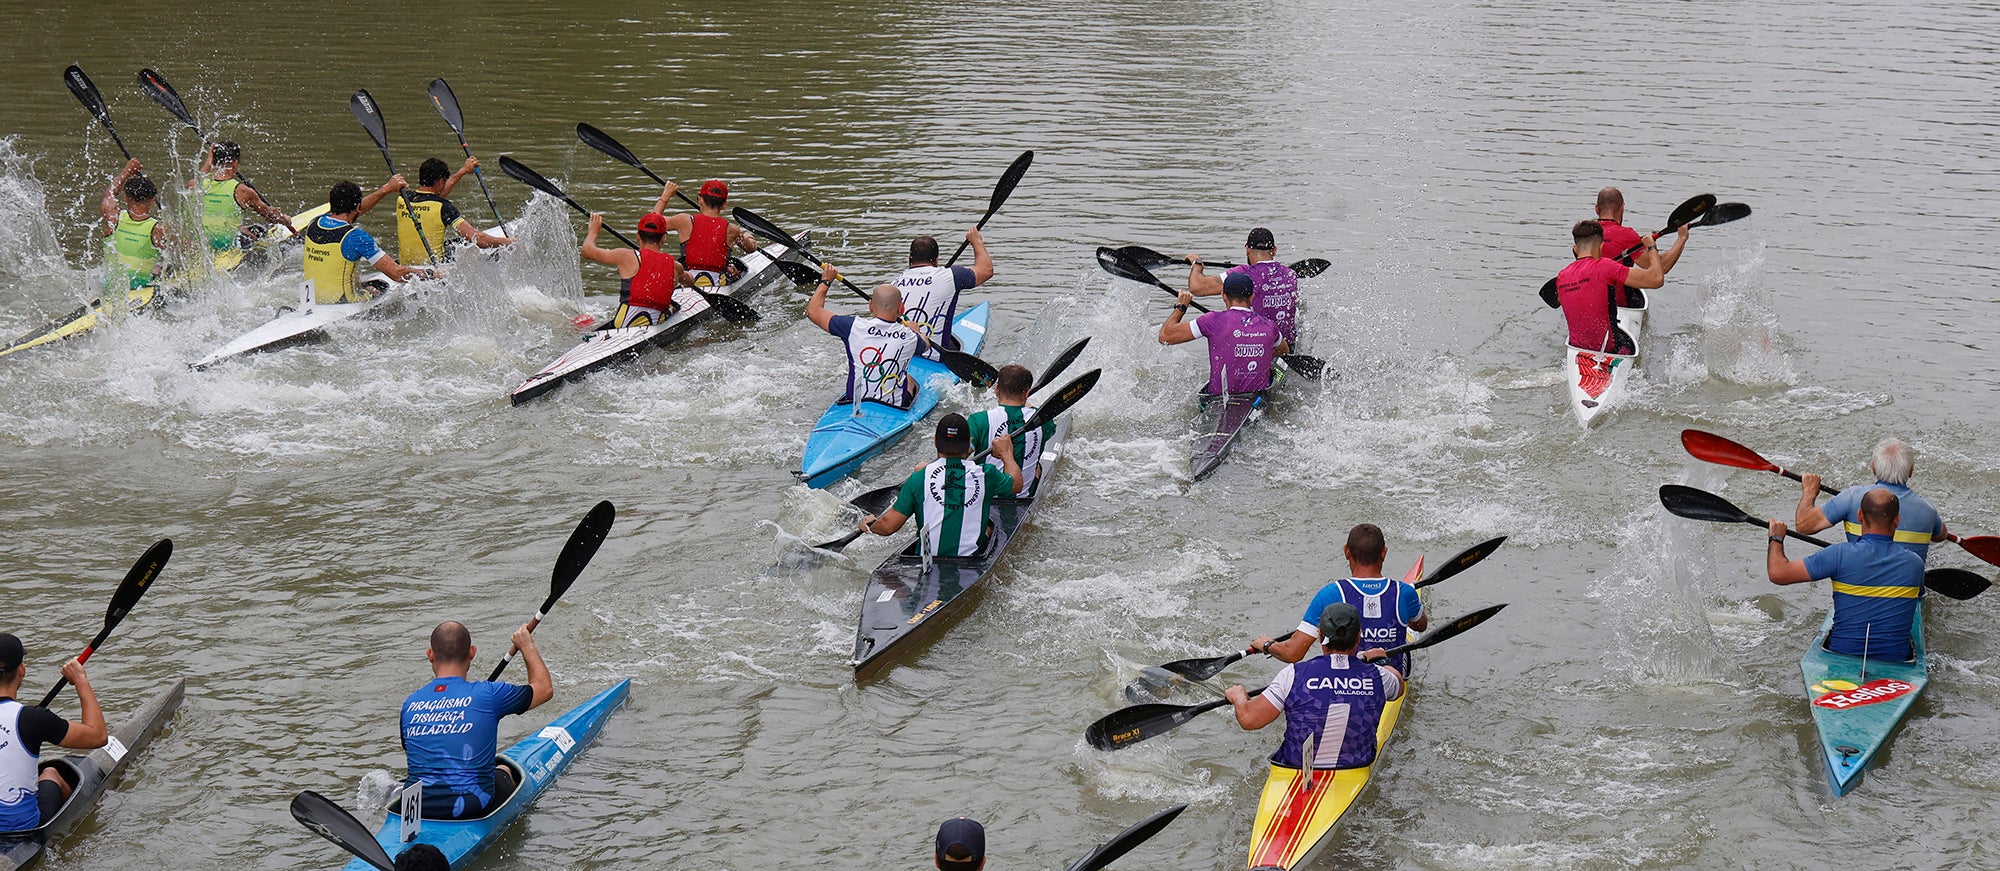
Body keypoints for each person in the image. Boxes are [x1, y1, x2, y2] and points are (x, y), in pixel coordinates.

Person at [399, 621, 553, 820]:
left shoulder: (410, 703)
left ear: (430, 655)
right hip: (472, 807)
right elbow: (544, 689)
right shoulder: (488, 694)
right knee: (504, 769)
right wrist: (526, 645)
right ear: (472, 652)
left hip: (415, 808)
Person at [1224, 603, 1405, 770]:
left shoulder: (1293, 674)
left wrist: (1238, 697)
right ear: (1359, 636)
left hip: (1297, 769)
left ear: (1320, 636)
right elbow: (1399, 687)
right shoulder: (1379, 676)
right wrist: (1381, 661)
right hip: (1355, 767)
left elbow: (1249, 719)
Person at [1769, 489, 1926, 661]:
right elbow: (1916, 595)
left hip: (1841, 654)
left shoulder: (1838, 554)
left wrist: (1776, 537)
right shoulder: (1915, 563)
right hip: (1896, 660)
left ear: (1859, 516)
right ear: (1897, 520)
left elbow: (1778, 573)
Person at [1254, 524, 1428, 674]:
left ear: (1346, 551)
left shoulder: (1330, 594)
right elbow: (1421, 626)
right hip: (1391, 676)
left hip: (1344, 681)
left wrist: (1267, 644)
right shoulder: (1404, 592)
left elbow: (1292, 653)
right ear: (1384, 553)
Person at [859, 413, 1023, 557]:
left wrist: (871, 525)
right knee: (988, 526)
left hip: (927, 562)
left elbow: (888, 527)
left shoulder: (919, 478)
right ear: (969, 444)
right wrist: (1006, 454)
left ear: (935, 441)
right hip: (971, 561)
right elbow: (1016, 484)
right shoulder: (987, 474)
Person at [0, 633, 109, 832]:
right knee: (50, 772)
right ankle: (66, 832)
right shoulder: (33, 718)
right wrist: (80, 679)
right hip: (19, 830)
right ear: (22, 670)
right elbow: (99, 736)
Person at [1795, 438, 1947, 561]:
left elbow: (1804, 526)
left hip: (1862, 586)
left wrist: (1809, 492)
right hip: (1908, 594)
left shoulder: (1851, 497)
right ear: (1911, 470)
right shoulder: (1928, 511)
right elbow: (1941, 536)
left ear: (1873, 468)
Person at [806, 262, 933, 407]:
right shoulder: (909, 337)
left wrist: (826, 280)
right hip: (892, 407)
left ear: (871, 306)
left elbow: (813, 312)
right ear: (901, 308)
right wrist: (915, 331)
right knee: (909, 379)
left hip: (854, 404)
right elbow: (926, 345)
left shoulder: (852, 326)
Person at [1555, 219, 1676, 355]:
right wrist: (1651, 248)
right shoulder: (1605, 266)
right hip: (1611, 350)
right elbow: (1657, 279)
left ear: (1575, 249)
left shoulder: (1561, 277)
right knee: (1626, 340)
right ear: (1601, 247)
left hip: (1577, 349)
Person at [303, 179, 434, 304]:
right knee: (380, 286)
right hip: (342, 303)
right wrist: (431, 274)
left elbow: (354, 212)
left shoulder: (314, 222)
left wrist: (387, 189)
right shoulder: (356, 237)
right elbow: (397, 275)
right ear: (358, 206)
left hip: (313, 299)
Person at [1158, 272, 1290, 394]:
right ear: (1252, 297)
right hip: (1256, 397)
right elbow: (1284, 351)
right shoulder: (1270, 326)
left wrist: (1181, 307)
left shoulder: (1211, 320)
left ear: (1223, 296)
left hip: (1219, 397)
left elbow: (1165, 336)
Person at [1186, 227, 1301, 346]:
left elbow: (1197, 287)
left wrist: (1197, 264)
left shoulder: (1243, 274)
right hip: (1288, 348)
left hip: (1257, 348)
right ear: (1274, 250)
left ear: (1247, 250)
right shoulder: (1290, 274)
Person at [582, 211, 692, 329]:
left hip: (623, 322)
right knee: (673, 307)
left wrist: (593, 231)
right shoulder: (675, 267)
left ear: (638, 236)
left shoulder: (626, 256)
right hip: (655, 322)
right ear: (664, 238)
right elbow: (690, 281)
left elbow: (587, 251)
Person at [394, 157, 509, 266]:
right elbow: (478, 239)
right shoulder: (444, 207)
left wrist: (463, 171)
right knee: (466, 244)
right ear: (440, 182)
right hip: (434, 268)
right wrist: (508, 242)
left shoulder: (403, 199)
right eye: (444, 182)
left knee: (451, 244)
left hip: (407, 266)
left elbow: (433, 196)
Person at [190, 141, 292, 256]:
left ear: (212, 161)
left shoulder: (196, 186)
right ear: (235, 164)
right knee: (259, 231)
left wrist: (209, 159)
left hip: (202, 246)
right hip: (226, 247)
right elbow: (271, 216)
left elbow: (199, 177)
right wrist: (284, 219)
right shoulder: (242, 191)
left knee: (245, 230)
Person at [895, 228, 993, 350]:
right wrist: (976, 241)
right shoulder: (952, 275)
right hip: (932, 355)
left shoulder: (895, 283)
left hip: (898, 348)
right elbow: (986, 271)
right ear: (936, 261)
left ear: (909, 259)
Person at [967, 364, 1052, 498]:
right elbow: (1048, 431)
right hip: (1024, 497)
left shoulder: (979, 420)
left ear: (996, 390)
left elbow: (959, 454)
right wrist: (1028, 405)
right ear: (1027, 393)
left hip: (984, 497)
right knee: (1037, 466)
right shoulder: (1044, 421)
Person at [656, 179, 759, 288]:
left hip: (687, 282)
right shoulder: (732, 230)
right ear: (725, 205)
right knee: (735, 269)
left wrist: (666, 195)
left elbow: (652, 221)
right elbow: (750, 248)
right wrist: (748, 237)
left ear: (700, 200)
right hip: (718, 285)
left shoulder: (683, 221)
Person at [1594, 188, 1689, 304]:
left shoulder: (1584, 233)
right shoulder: (1626, 235)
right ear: (1622, 207)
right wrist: (1681, 238)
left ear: (1596, 209)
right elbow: (1662, 267)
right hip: (1621, 305)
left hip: (1592, 301)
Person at [98, 159, 174, 293]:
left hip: (110, 289)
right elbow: (183, 253)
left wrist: (127, 170)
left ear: (126, 198)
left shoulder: (113, 218)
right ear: (152, 200)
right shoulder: (159, 229)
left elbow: (108, 196)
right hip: (139, 291)